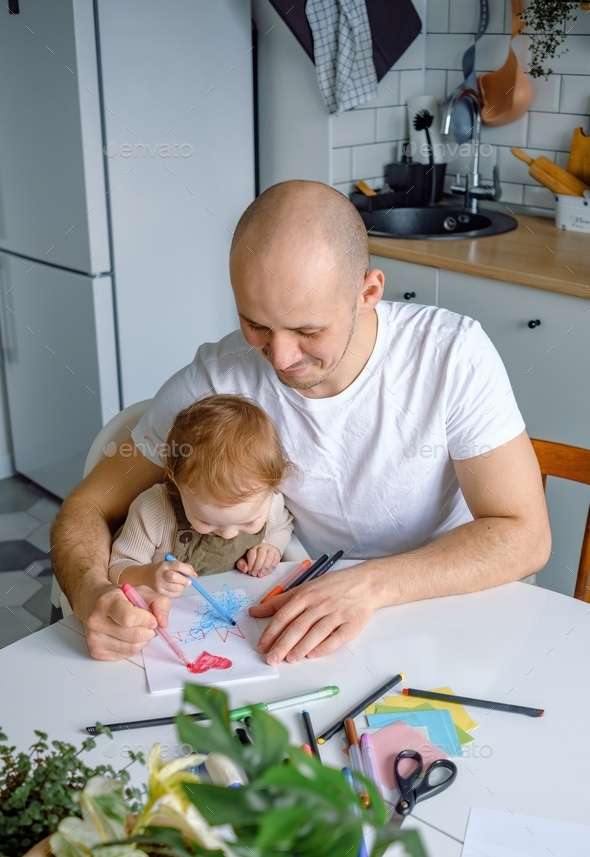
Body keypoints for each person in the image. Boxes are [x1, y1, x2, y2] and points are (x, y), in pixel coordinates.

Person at [51, 180, 551, 665]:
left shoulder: (452, 354)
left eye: (308, 331)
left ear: (368, 291)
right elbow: (88, 506)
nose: (281, 357)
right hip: (324, 614)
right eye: (256, 325)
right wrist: (91, 593)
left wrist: (369, 585)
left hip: (457, 604)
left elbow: (525, 536)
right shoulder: (215, 382)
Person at [107, 395, 295, 595]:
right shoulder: (152, 511)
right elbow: (118, 566)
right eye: (206, 521)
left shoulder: (269, 501)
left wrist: (271, 548)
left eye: (248, 523)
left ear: (274, 485)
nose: (228, 534)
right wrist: (147, 576)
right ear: (177, 481)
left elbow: (282, 527)